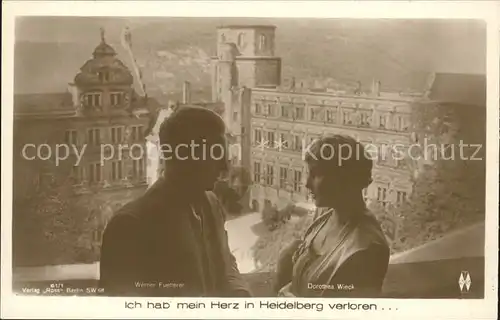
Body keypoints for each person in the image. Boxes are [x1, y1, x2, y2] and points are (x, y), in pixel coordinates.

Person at [99, 106, 251, 297]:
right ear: (186, 157)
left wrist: (240, 296)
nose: (224, 167)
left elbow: (225, 263)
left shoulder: (212, 205)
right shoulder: (130, 226)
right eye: (216, 154)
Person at [275, 135, 390, 297]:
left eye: (315, 174)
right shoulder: (324, 219)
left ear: (343, 177)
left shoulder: (367, 248)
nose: (307, 183)